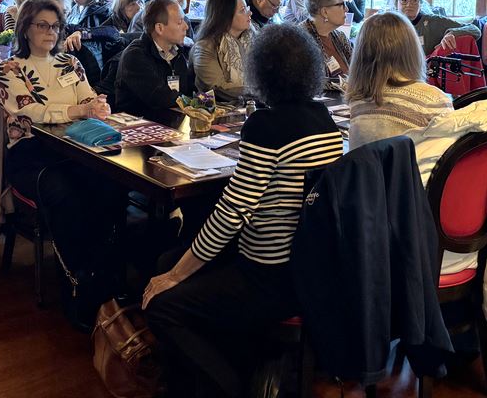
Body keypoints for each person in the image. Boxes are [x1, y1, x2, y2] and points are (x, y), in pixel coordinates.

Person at [144, 24, 343, 398]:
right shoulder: (322, 117)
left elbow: (232, 213)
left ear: (261, 72)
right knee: (167, 261)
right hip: (310, 267)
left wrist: (174, 276)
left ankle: (227, 386)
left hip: (269, 275)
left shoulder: (266, 126)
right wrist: (175, 269)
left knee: (162, 305)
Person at [0, 0, 122, 308]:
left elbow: (87, 97)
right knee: (66, 194)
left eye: (55, 26)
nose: (50, 32)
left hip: (75, 150)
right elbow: (31, 112)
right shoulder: (10, 69)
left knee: (110, 186)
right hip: (31, 155)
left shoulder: (70, 63)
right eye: (42, 25)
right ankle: (76, 283)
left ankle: (105, 272)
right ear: (25, 29)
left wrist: (97, 106)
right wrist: (79, 110)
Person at [347, 11, 453, 147]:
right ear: (412, 50)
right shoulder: (434, 101)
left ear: (361, 53)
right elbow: (448, 155)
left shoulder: (356, 102)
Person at [115, 0, 195, 121]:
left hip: (172, 121)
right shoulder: (135, 56)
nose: (186, 26)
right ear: (160, 28)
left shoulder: (180, 52)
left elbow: (190, 90)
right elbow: (160, 98)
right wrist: (194, 102)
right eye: (179, 22)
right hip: (139, 125)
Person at [190, 0, 254, 102]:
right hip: (220, 109)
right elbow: (218, 89)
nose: (250, 13)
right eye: (242, 10)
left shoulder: (254, 39)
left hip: (252, 105)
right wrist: (259, 91)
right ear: (225, 17)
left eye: (247, 8)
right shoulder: (204, 47)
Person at [390, 0, 481, 53]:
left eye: (414, 1)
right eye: (404, 1)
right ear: (396, 3)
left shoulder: (433, 21)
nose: (409, 5)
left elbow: (474, 29)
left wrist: (452, 33)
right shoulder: (389, 25)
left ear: (421, 3)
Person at [301, 0, 353, 80]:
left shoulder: (340, 37)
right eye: (341, 4)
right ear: (325, 12)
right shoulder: (300, 41)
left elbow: (357, 69)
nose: (346, 9)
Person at [66, 0, 112, 68]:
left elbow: (100, 35)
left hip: (94, 56)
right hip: (76, 53)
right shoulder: (75, 7)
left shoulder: (100, 10)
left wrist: (81, 33)